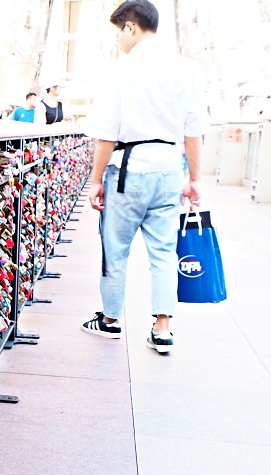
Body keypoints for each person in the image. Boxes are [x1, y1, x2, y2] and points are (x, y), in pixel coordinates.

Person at [81, 0, 204, 354]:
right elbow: (193, 133)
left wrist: (96, 179)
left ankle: (110, 319)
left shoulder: (121, 71)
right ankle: (162, 329)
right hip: (168, 169)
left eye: (120, 31)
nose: (120, 40)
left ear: (131, 27)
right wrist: (194, 179)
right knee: (164, 251)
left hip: (128, 171)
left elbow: (107, 132)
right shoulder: (186, 70)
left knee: (115, 248)